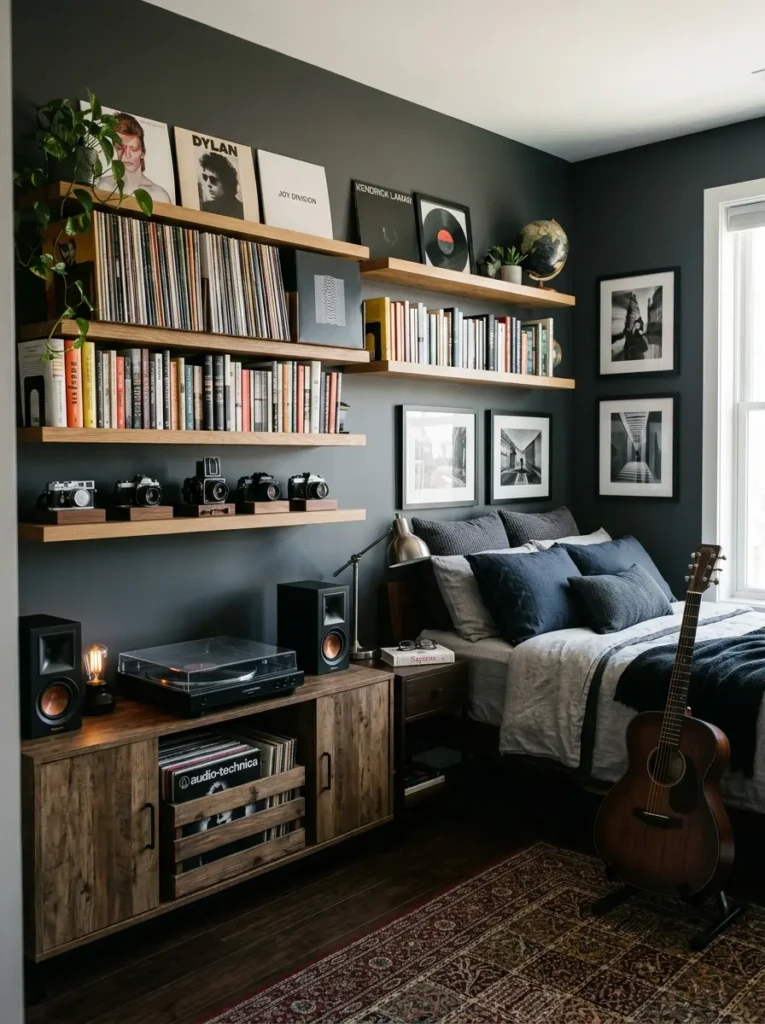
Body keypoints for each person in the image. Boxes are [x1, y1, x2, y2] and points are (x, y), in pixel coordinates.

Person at [95, 112, 172, 204]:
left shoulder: (159, 195)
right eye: (120, 148)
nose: (126, 155)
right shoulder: (104, 185)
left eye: (134, 149)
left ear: (142, 153)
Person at [198, 150, 243, 218]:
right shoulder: (206, 207)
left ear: (226, 183)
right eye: (205, 177)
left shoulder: (241, 210)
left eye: (213, 180)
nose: (208, 184)